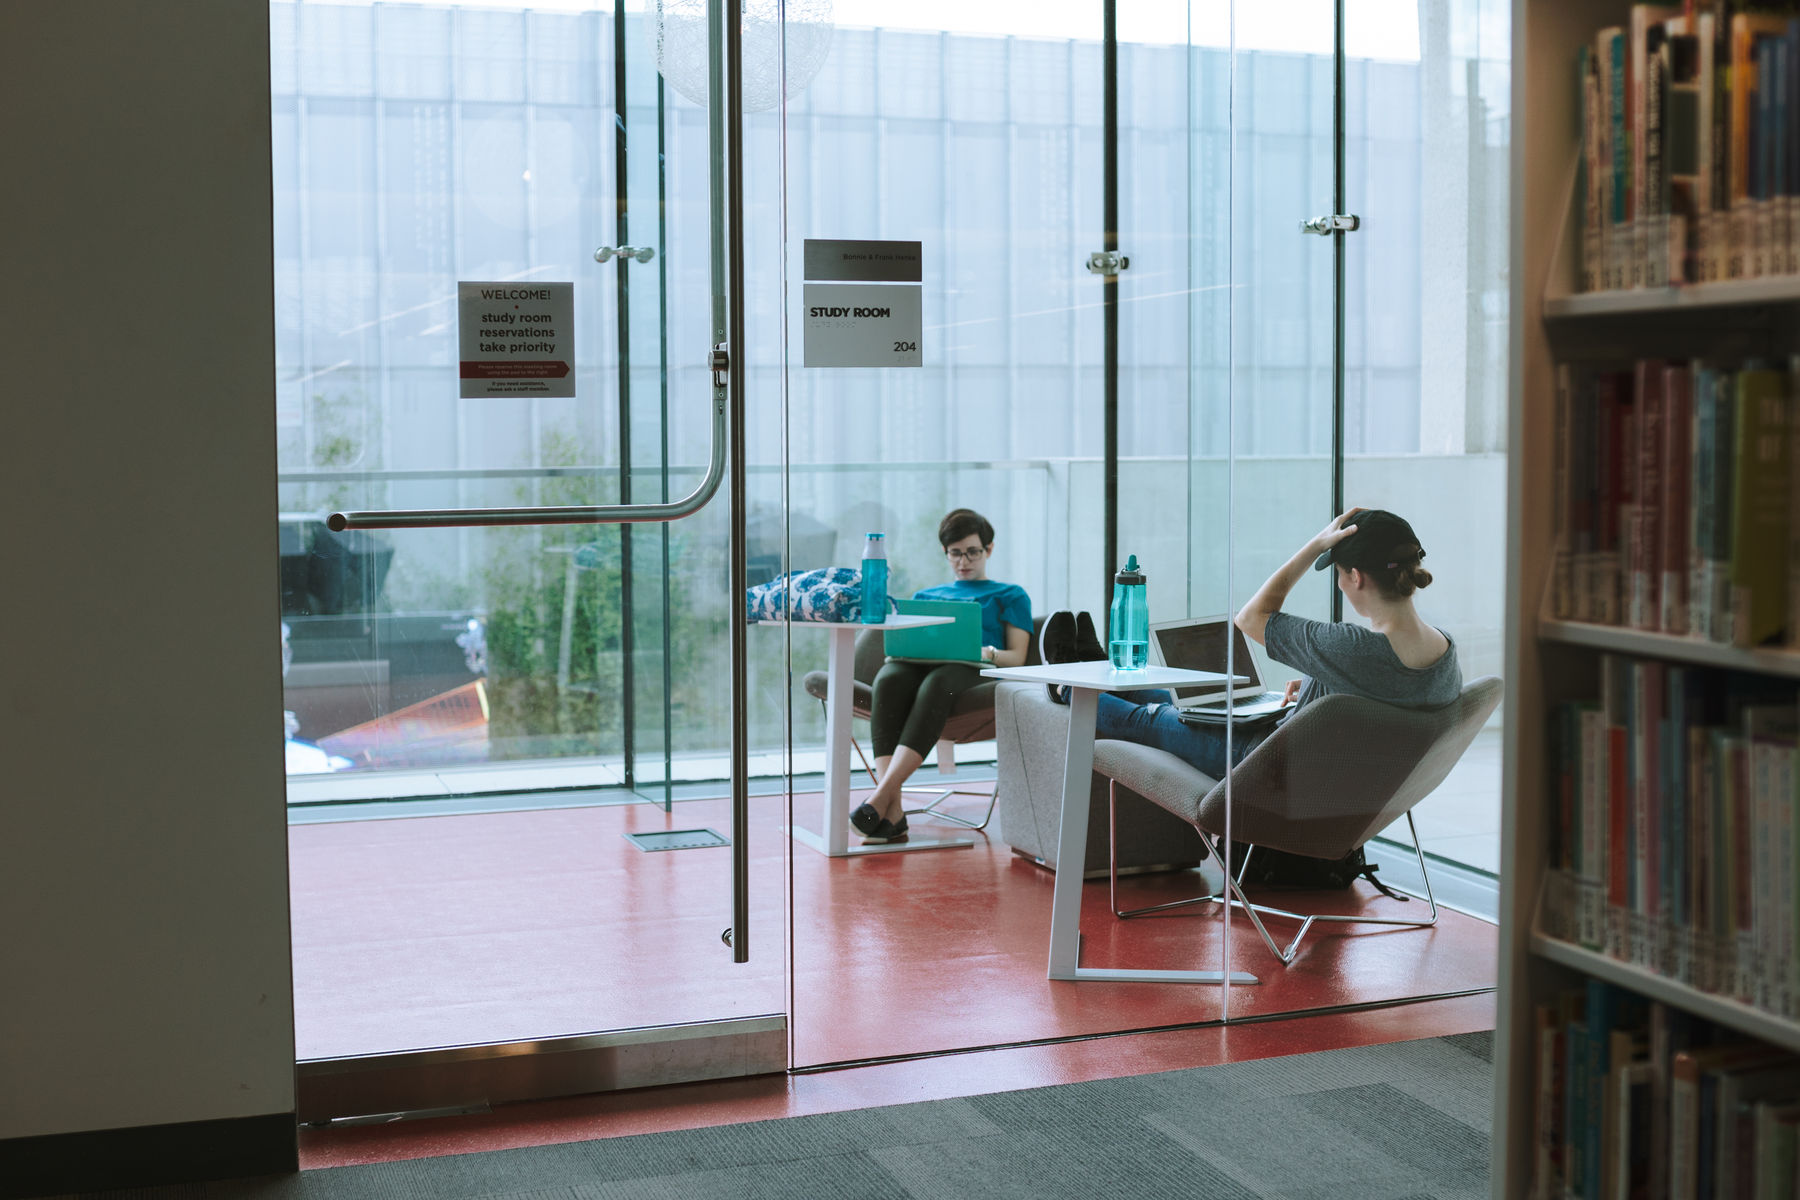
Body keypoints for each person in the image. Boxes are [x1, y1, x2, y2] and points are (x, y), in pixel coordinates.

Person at [1088, 508, 1462, 779]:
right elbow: (1381, 695)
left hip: (1267, 769)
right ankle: (1091, 667)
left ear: (1357, 577)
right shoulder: (1445, 653)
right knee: (1174, 698)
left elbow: (1250, 617)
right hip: (1336, 777)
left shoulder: (1354, 648)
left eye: (1338, 575)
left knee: (1147, 718)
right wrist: (1324, 689)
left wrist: (1315, 546)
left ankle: (1069, 691)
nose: (1340, 585)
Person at [851, 508, 1032, 843]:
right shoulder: (926, 596)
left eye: (972, 552)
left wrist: (982, 651)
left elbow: (1017, 658)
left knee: (940, 681)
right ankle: (893, 812)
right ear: (946, 553)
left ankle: (880, 797)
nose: (964, 561)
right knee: (889, 678)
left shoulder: (1010, 595)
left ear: (988, 550)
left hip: (972, 671)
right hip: (921, 666)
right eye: (955, 553)